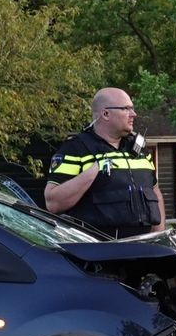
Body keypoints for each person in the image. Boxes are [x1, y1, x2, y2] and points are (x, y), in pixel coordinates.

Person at [45, 87, 165, 238]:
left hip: (142, 248)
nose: (133, 114)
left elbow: (155, 194)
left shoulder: (139, 150)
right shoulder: (76, 149)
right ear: (106, 113)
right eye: (126, 109)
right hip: (100, 251)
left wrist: (159, 239)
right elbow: (53, 202)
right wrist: (94, 171)